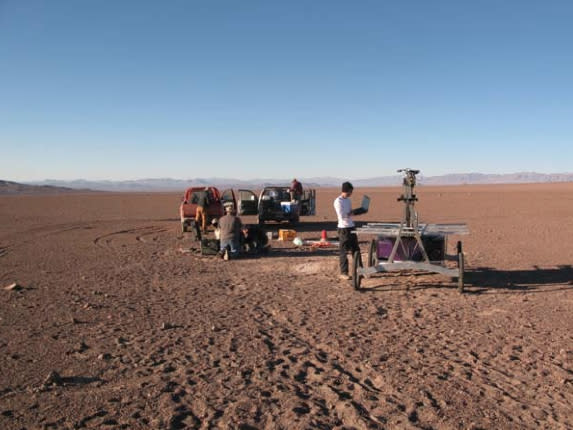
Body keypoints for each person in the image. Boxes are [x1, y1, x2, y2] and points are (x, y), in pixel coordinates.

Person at [333, 181, 363, 280]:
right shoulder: (338, 201)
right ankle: (344, 273)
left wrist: (357, 212)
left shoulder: (348, 200)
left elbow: (349, 212)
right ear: (347, 190)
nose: (351, 193)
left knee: (356, 249)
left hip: (351, 227)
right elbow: (342, 216)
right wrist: (352, 213)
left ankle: (360, 270)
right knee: (343, 251)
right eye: (350, 191)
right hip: (343, 229)